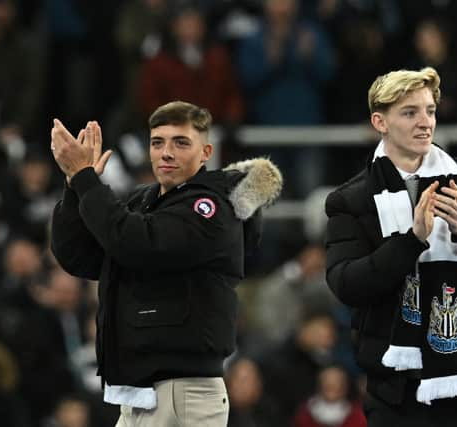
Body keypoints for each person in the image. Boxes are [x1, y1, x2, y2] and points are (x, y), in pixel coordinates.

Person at [49, 100, 282, 426]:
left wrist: (86, 178)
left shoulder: (209, 207)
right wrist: (75, 186)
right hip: (138, 393)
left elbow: (139, 245)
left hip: (184, 394)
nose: (166, 153)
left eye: (181, 142)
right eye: (158, 142)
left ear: (206, 152)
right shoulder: (141, 202)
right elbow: (79, 257)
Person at [324, 67, 457, 426]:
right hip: (397, 392)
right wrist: (410, 242)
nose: (425, 122)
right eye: (409, 112)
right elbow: (346, 284)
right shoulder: (351, 199)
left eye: (430, 110)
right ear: (379, 122)